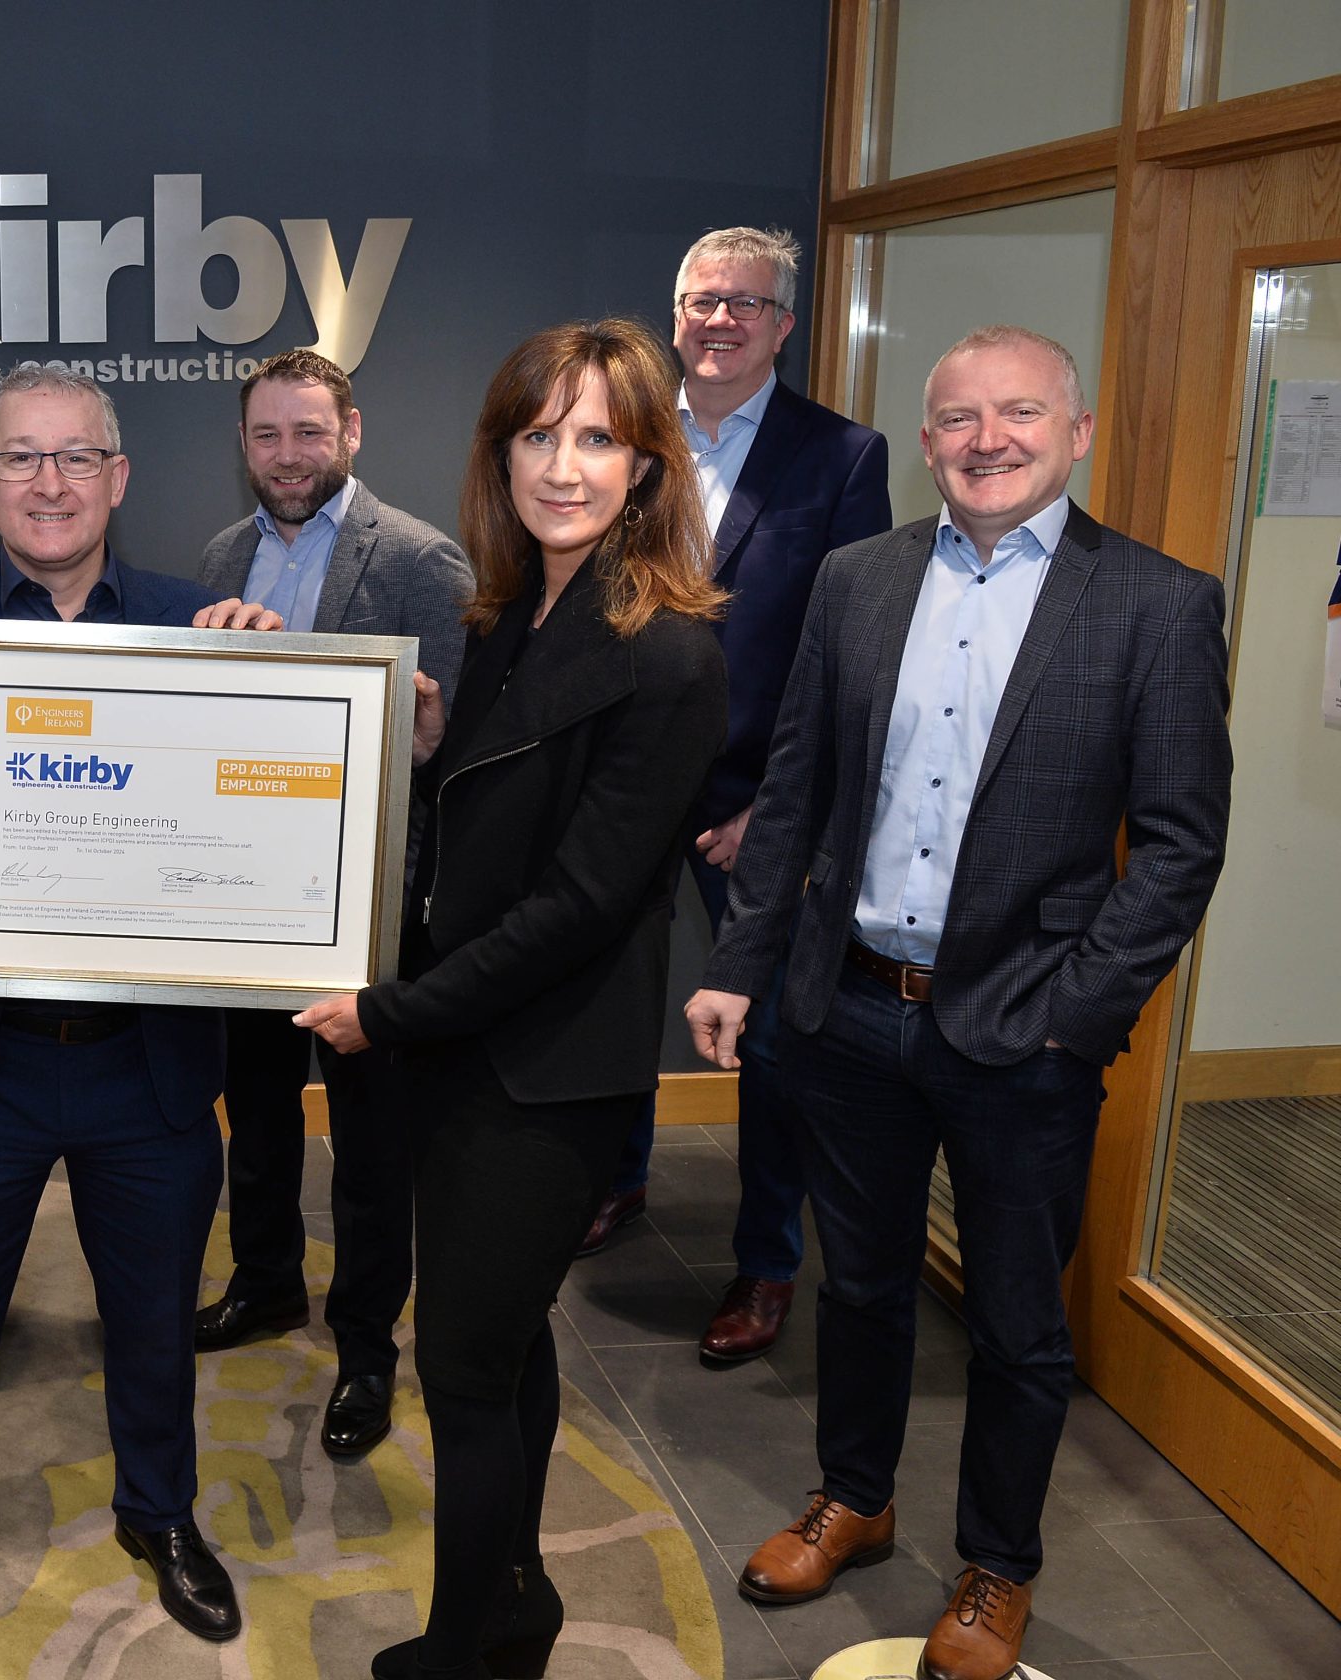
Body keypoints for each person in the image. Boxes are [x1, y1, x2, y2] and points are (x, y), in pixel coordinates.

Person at [688, 326, 1231, 1680]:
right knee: (860, 1286)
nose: (988, 439)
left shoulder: (1159, 605)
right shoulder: (856, 581)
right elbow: (797, 791)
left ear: (1078, 431)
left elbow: (1179, 844)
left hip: (1023, 1037)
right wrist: (740, 965)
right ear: (923, 440)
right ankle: (856, 1502)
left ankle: (996, 1569)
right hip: (849, 1014)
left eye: (1019, 414)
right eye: (958, 419)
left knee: (1016, 1328)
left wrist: (1079, 1013)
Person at [295, 320, 728, 1680]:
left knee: (466, 1368)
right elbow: (485, 835)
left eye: (598, 437)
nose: (561, 465)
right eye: (537, 435)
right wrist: (426, 748)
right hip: (471, 1054)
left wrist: (390, 1014)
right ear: (500, 454)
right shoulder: (506, 614)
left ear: (650, 465)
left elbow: (579, 906)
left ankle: (477, 1650)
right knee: (502, 1336)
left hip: (545, 1074)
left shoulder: (669, 653)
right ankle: (519, 1598)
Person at [0, 364, 274, 1665]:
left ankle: (163, 1515)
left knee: (152, 1316)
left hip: (148, 1063)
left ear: (119, 478)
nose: (50, 482)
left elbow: (263, 805)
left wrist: (270, 681)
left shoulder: (203, 624)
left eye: (77, 457)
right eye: (21, 458)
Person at [581, 228, 893, 1370]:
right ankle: (615, 1180)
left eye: (745, 305)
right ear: (673, 313)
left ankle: (767, 1262)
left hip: (755, 794)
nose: (720, 321)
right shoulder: (620, 436)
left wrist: (782, 805)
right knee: (610, 992)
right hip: (623, 779)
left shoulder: (841, 456)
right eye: (702, 300)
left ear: (783, 324)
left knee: (764, 1037)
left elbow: (852, 641)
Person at [189, 346, 472, 1461]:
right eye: (268, 435)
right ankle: (264, 1284)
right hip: (251, 896)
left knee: (368, 1142)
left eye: (309, 432)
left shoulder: (418, 560)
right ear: (244, 445)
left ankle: (364, 1347)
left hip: (368, 909)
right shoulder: (221, 554)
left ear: (349, 434)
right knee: (254, 1114)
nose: (288, 455)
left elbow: (449, 754)